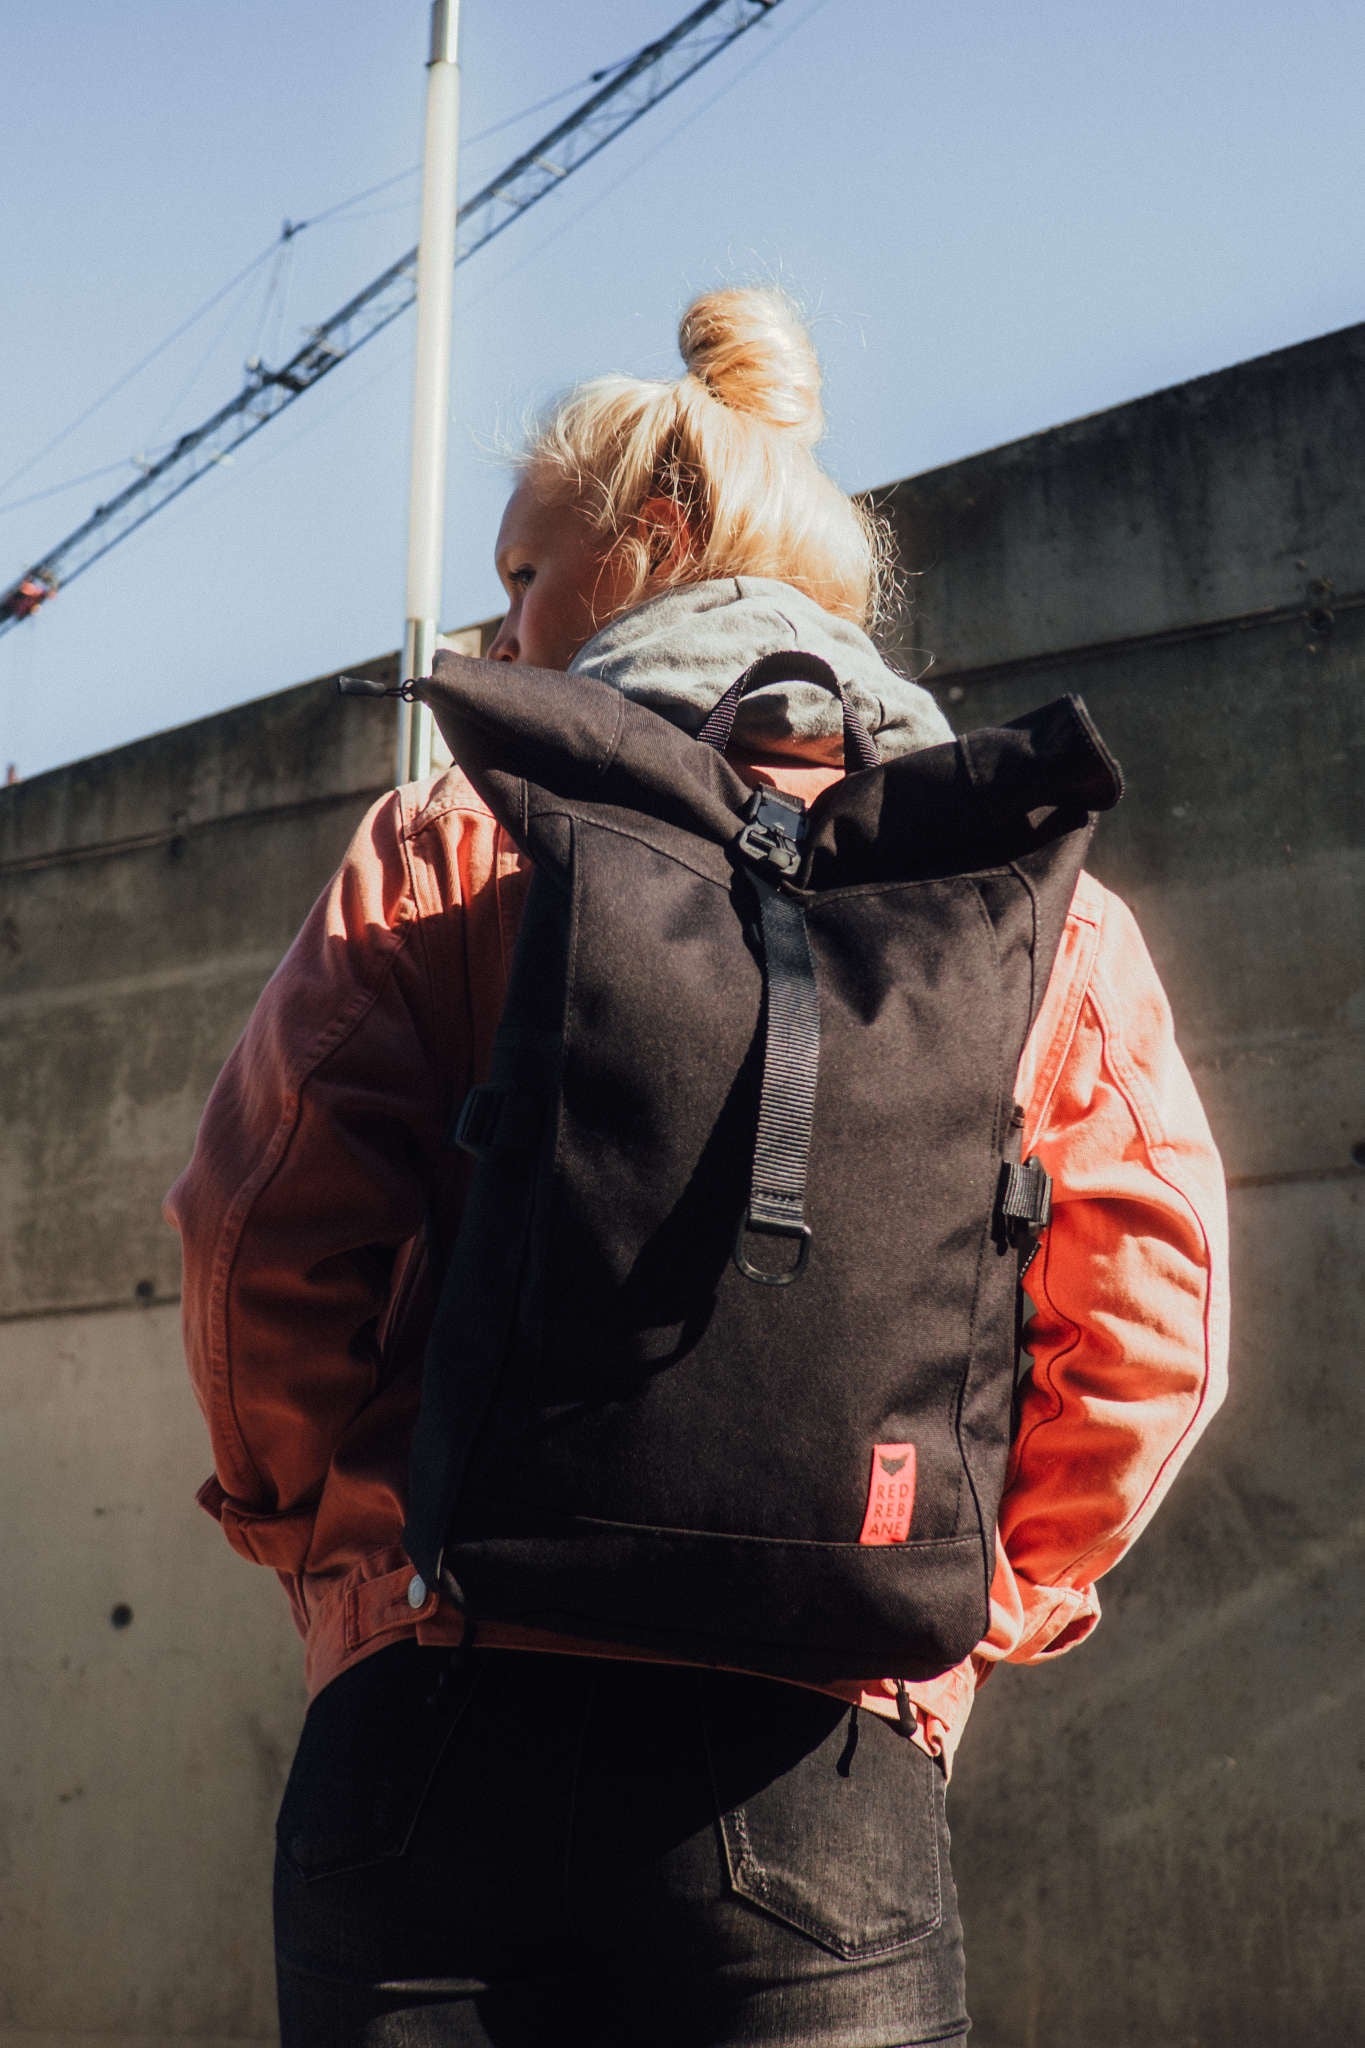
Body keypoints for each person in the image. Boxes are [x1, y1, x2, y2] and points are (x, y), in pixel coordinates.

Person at [167, 286, 1228, 2047]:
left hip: (435, 1720)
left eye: (523, 573)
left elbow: (256, 1231)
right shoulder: (1034, 907)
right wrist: (956, 1616)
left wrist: (340, 1553)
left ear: (652, 543)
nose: (498, 626)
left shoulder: (454, 837)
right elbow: (1147, 1332)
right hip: (819, 1762)